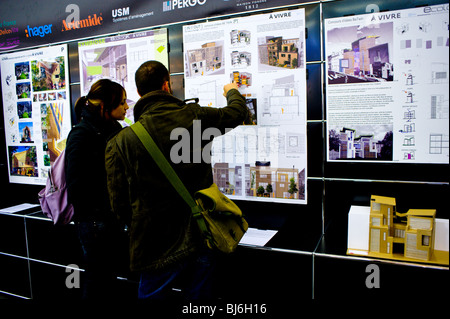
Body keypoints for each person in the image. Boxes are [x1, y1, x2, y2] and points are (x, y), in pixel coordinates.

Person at [105, 60, 249, 300]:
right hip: (201, 232)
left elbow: (119, 205)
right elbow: (237, 113)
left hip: (155, 244)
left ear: (139, 93)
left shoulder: (120, 142)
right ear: (166, 85)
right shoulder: (195, 116)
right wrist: (231, 90)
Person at [65, 79, 129, 300]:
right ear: (105, 106)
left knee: (107, 279)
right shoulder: (81, 134)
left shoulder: (111, 128)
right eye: (122, 102)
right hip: (93, 223)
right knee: (97, 281)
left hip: (110, 219)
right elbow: (75, 186)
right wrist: (100, 211)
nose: (127, 107)